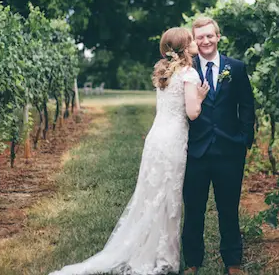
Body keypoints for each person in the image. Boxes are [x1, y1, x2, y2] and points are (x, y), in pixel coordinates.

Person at [48, 27, 209, 275]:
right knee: (169, 198)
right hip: (174, 141)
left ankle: (153, 250)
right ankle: (164, 257)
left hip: (156, 139)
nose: (196, 43)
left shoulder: (165, 71)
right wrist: (200, 96)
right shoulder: (189, 74)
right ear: (185, 47)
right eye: (191, 40)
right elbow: (192, 113)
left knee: (151, 195)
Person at [182, 17, 255, 275]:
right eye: (200, 37)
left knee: (228, 209)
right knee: (194, 210)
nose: (205, 41)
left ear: (218, 36)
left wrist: (245, 138)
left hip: (229, 151)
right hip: (196, 152)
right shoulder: (186, 69)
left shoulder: (235, 68)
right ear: (194, 40)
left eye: (209, 36)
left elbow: (247, 105)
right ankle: (192, 262)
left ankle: (233, 263)